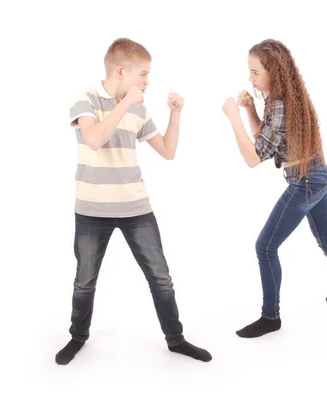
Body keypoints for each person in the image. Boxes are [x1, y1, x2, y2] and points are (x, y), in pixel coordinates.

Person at [56, 38, 212, 364]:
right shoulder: (84, 98)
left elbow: (168, 151)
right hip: (91, 209)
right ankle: (78, 337)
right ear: (121, 71)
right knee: (85, 280)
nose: (147, 82)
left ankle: (176, 339)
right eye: (143, 74)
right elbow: (95, 139)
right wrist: (124, 104)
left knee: (160, 277)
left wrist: (175, 114)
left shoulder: (139, 109)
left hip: (136, 208)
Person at [221, 39, 327, 339]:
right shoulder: (280, 98)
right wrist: (249, 110)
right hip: (319, 176)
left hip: (306, 182)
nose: (250, 78)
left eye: (254, 72)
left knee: (265, 246)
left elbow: (253, 157)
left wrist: (233, 117)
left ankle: (270, 318)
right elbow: (268, 141)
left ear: (273, 71)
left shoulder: (281, 104)